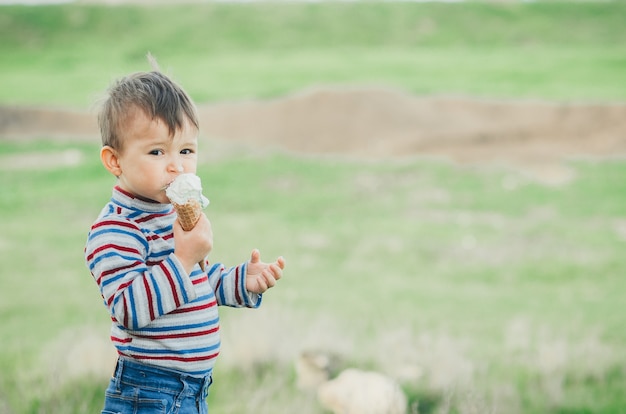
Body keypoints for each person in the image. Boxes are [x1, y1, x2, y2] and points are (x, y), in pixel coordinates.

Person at [84, 64, 285, 414]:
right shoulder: (117, 229)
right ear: (114, 160)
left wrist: (243, 282)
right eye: (157, 152)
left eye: (186, 151)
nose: (176, 166)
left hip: (192, 392)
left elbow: (197, 281)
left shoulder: (169, 215)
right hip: (148, 391)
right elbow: (128, 309)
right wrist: (183, 259)